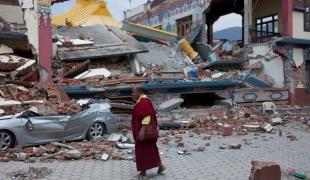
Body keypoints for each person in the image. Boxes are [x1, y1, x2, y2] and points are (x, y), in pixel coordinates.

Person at [131, 87, 166, 177]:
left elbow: (146, 116)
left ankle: (143, 172)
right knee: (151, 150)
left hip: (145, 133)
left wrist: (142, 130)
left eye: (133, 92)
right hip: (148, 133)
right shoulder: (143, 101)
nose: (132, 94)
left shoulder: (144, 102)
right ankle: (160, 166)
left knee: (141, 151)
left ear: (139, 92)